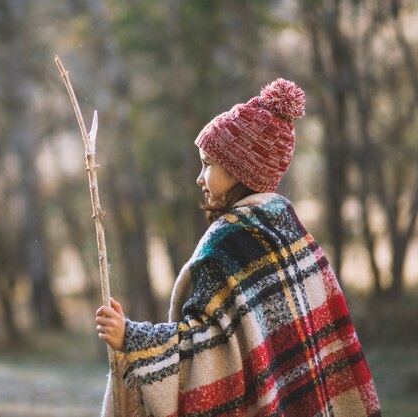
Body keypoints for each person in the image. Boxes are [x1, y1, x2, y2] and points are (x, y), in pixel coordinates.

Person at [95, 79, 381, 417]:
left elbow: (206, 352)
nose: (200, 178)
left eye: (208, 164)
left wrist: (131, 338)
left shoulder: (227, 244)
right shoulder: (287, 227)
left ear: (238, 169)